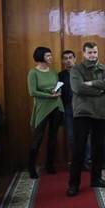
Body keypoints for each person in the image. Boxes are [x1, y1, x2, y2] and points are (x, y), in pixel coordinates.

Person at [67, 42, 105, 197]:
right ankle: (74, 184)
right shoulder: (77, 69)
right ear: (84, 53)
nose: (93, 55)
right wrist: (100, 90)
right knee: (80, 149)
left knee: (98, 147)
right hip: (83, 112)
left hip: (101, 111)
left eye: (95, 52)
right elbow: (78, 88)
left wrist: (93, 84)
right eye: (89, 53)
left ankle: (96, 178)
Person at [26, 46, 64, 179]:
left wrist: (56, 91)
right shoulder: (33, 72)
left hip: (56, 106)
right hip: (42, 107)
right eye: (48, 55)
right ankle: (31, 167)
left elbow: (58, 85)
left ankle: (50, 164)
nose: (51, 58)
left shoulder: (53, 71)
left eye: (50, 55)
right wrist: (49, 95)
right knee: (38, 137)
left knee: (53, 137)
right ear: (40, 56)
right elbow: (32, 92)